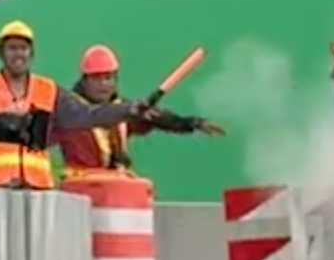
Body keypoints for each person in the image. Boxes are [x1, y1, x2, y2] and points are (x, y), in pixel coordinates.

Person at [0, 22, 154, 188]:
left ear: (31, 52)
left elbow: (87, 115)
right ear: (0, 53)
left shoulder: (48, 90)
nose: (18, 53)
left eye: (23, 48)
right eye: (12, 48)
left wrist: (128, 110)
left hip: (37, 187)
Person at [54, 44, 224, 178]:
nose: (104, 84)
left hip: (114, 187)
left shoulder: (123, 109)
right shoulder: (70, 110)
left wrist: (190, 123)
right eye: (97, 78)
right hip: (80, 187)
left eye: (108, 78)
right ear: (84, 80)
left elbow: (156, 117)